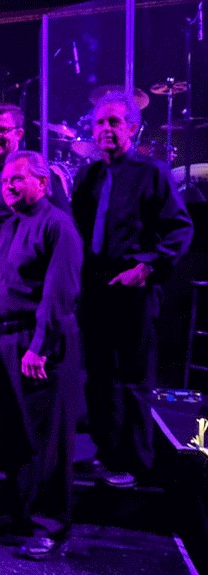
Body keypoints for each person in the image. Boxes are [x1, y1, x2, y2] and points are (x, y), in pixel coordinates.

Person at [71, 90, 193, 488]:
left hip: (134, 285)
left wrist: (146, 268)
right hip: (95, 287)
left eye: (114, 122)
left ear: (132, 127)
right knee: (98, 376)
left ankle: (136, 464)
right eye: (99, 122)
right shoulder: (88, 175)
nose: (105, 129)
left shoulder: (153, 172)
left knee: (133, 379)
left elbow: (180, 228)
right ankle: (107, 454)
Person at [0, 151, 84, 559]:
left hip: (35, 342)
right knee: (12, 433)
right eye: (6, 180)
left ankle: (49, 526)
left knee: (46, 439)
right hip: (4, 339)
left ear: (43, 183)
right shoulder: (11, 223)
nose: (8, 186)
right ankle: (20, 513)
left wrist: (39, 347)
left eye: (18, 179)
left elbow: (59, 294)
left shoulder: (58, 225)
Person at [0, 102, 71, 304]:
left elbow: (62, 230)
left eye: (2, 130)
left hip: (17, 288)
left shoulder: (36, 176)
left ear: (19, 134)